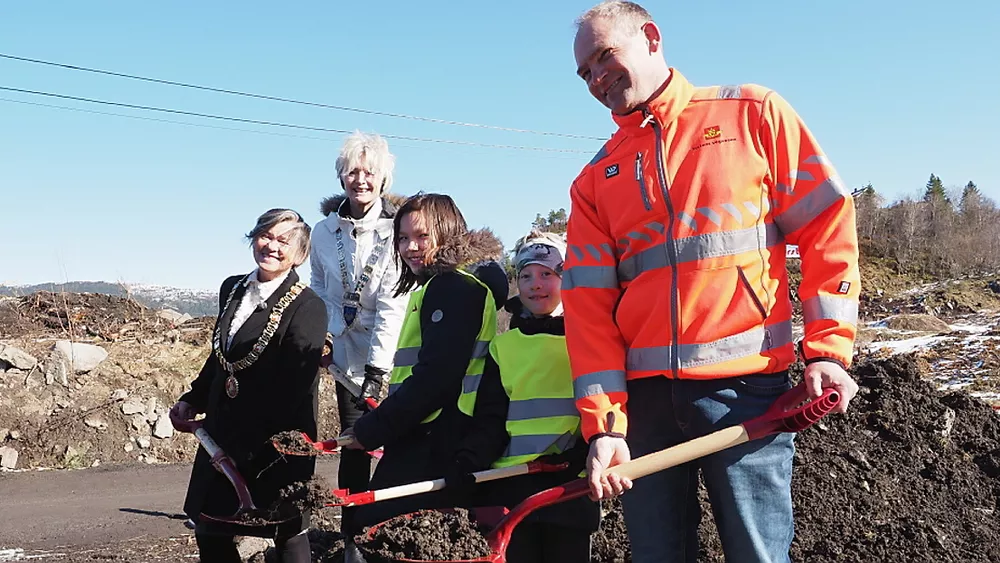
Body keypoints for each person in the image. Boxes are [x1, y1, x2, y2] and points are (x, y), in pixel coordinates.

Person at [564, 2, 861, 562]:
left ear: (651, 37)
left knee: (757, 554)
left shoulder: (754, 114)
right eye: (585, 73)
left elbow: (828, 227)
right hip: (645, 407)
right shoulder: (594, 180)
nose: (597, 78)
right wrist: (605, 426)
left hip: (745, 394)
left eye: (605, 56)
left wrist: (828, 350)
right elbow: (588, 307)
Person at [342, 193, 509, 536]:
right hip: (433, 433)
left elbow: (436, 378)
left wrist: (373, 429)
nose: (410, 247)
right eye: (403, 238)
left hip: (435, 438)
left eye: (421, 236)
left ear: (447, 233)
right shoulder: (443, 286)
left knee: (379, 531)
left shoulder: (453, 287)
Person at [169, 209, 327, 563]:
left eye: (283, 241)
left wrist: (250, 440)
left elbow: (296, 384)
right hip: (223, 428)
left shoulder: (308, 306)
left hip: (277, 439)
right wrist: (193, 398)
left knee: (285, 531)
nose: (271, 246)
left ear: (300, 254)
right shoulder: (232, 288)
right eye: (265, 236)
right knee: (211, 526)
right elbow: (220, 356)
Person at [451, 229, 599, 563]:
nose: (535, 284)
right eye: (526, 275)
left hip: (570, 486)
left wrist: (586, 450)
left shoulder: (589, 339)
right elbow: (491, 417)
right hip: (514, 485)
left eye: (548, 274)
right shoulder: (504, 347)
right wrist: (468, 460)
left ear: (567, 278)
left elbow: (604, 401)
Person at [309, 131, 409, 555]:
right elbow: (320, 288)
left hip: (390, 357)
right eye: (353, 170)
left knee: (399, 446)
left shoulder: (396, 232)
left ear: (383, 178)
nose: (361, 179)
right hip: (344, 358)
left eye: (370, 172)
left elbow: (392, 303)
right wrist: (323, 337)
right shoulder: (322, 232)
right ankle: (352, 538)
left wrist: (378, 371)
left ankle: (392, 530)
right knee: (354, 446)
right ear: (341, 176)